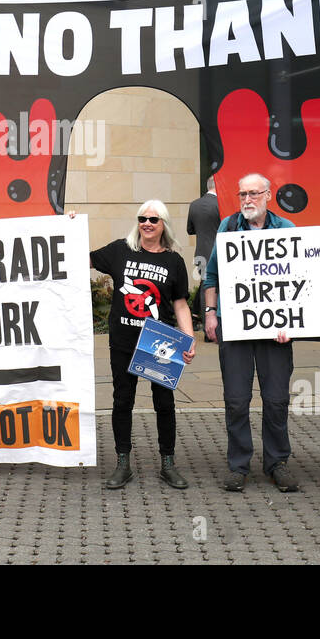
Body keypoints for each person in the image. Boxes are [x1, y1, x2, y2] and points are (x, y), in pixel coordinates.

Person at [201, 174, 299, 493]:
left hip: (276, 331)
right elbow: (212, 275)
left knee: (276, 400)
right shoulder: (228, 227)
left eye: (254, 193)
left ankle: (277, 463)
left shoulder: (286, 231)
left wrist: (294, 323)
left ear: (268, 195)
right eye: (242, 193)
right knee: (236, 401)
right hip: (235, 328)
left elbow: (300, 282)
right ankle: (238, 465)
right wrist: (211, 313)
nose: (247, 199)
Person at [89, 200, 197, 489]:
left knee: (164, 403)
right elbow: (81, 258)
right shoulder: (120, 251)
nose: (147, 223)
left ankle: (168, 463)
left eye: (154, 219)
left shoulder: (173, 261)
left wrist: (189, 339)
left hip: (159, 341)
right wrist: (71, 223)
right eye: (142, 218)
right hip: (123, 340)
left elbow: (180, 304)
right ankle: (123, 462)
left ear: (164, 225)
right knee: (122, 400)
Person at [186, 175, 220, 283]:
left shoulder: (194, 205)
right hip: (219, 255)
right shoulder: (220, 204)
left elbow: (190, 230)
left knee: (205, 286)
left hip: (201, 256)